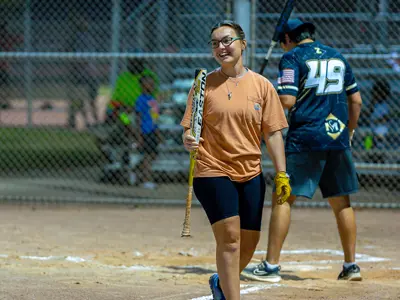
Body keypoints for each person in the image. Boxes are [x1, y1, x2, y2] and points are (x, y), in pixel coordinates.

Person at [242, 19, 363, 283]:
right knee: (342, 201)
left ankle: (271, 266)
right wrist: (349, 131)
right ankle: (351, 265)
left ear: (288, 38)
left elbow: (287, 100)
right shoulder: (337, 56)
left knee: (283, 198)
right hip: (337, 134)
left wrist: (263, 93)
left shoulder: (292, 57)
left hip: (306, 136)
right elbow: (356, 100)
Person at [181, 20, 291, 300]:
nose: (221, 47)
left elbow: (273, 134)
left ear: (243, 43)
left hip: (251, 171)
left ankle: (221, 282)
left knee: (249, 242)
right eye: (215, 43)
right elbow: (189, 129)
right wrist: (188, 140)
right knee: (230, 239)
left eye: (227, 40)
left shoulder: (262, 86)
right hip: (212, 169)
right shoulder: (203, 84)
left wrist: (282, 174)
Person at [135, 75, 161, 189]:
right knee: (147, 156)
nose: (151, 85)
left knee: (153, 154)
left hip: (153, 130)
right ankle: (146, 179)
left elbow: (155, 117)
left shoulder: (152, 99)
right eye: (148, 83)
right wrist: (139, 135)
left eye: (152, 83)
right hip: (145, 131)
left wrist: (158, 132)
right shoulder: (141, 99)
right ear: (142, 86)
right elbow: (138, 117)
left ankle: (136, 170)